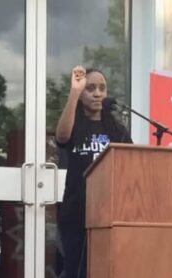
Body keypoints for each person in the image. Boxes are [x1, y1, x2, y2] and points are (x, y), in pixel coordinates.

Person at [56, 65, 132, 278]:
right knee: (75, 271)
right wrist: (74, 92)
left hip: (107, 215)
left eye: (102, 88)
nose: (98, 93)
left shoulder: (117, 129)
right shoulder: (74, 123)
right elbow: (62, 137)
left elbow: (130, 162)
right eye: (90, 88)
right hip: (76, 212)